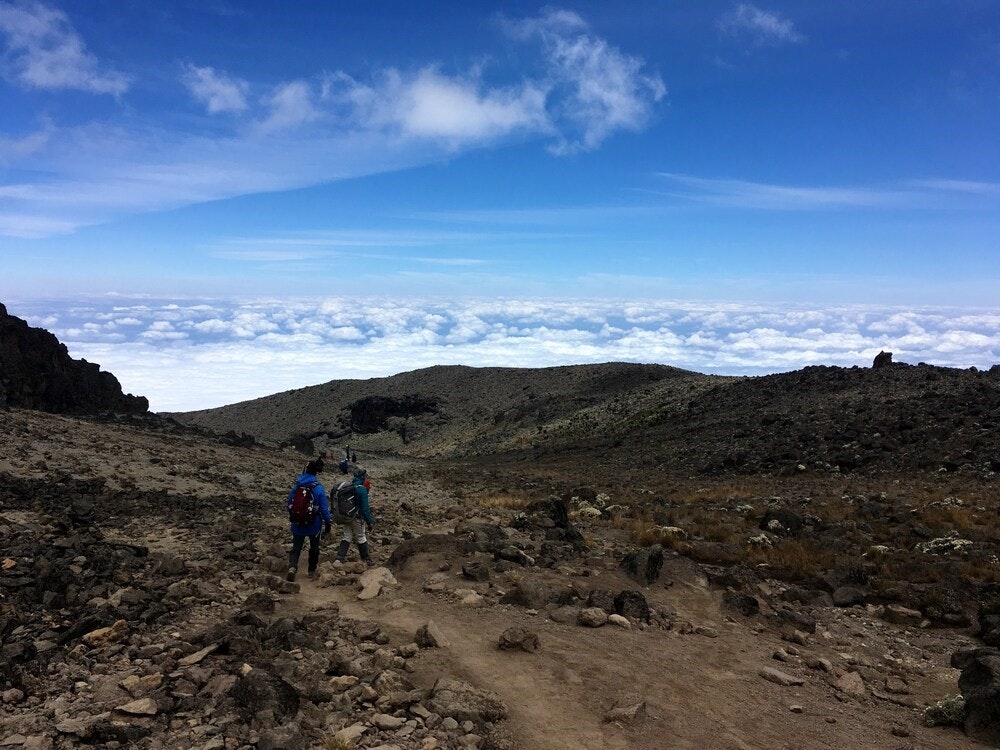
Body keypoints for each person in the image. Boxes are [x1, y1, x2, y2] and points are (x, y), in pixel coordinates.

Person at [285, 457, 332, 582]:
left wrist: (294, 515)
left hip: (298, 522)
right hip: (314, 523)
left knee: (296, 546)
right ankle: (311, 570)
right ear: (316, 472)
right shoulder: (318, 488)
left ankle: (292, 567)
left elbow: (289, 501)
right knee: (314, 546)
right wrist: (328, 522)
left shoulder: (297, 485)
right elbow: (324, 508)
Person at [335, 466, 375, 566]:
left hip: (347, 515)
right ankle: (365, 558)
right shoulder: (362, 490)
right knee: (361, 536)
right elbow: (365, 508)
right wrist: (369, 522)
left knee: (347, 536)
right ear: (363, 477)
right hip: (356, 517)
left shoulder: (350, 486)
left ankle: (340, 557)